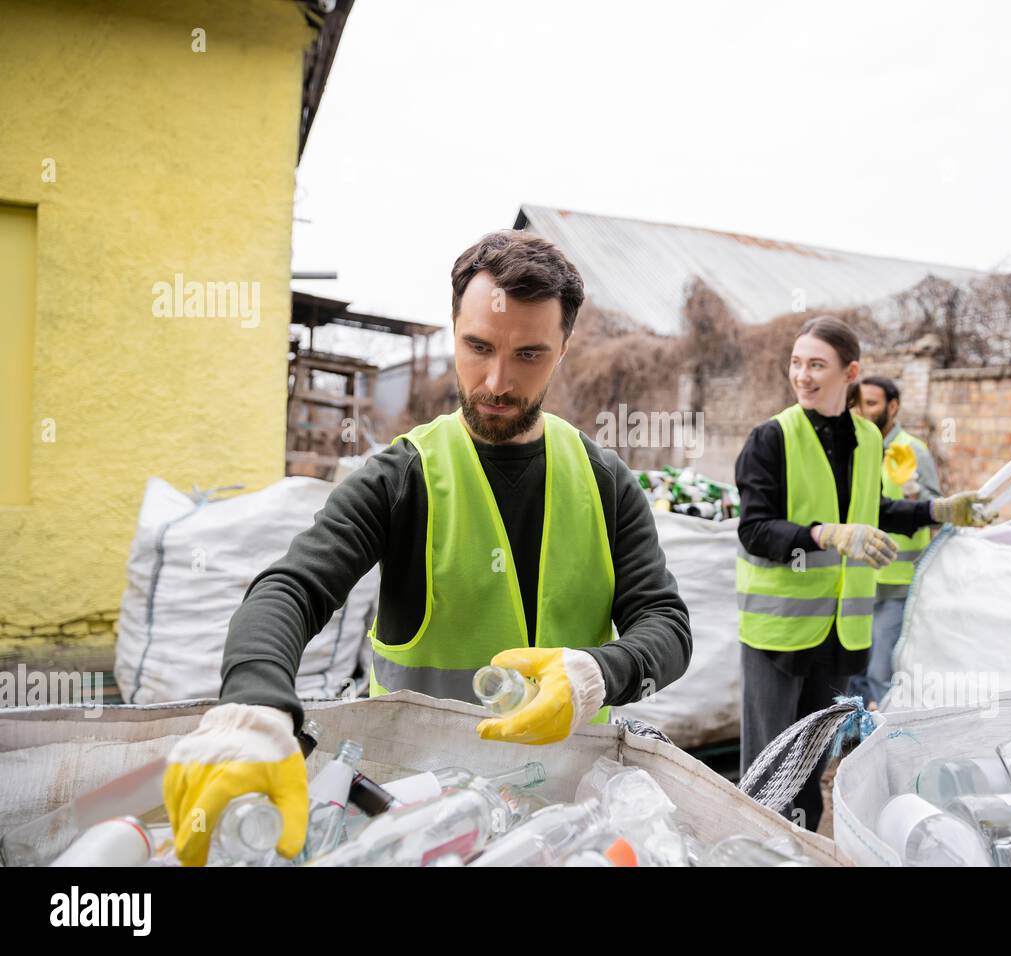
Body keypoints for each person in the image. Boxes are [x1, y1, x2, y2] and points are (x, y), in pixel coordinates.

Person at [163, 231, 693, 866]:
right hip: (415, 814)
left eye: (529, 353)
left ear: (564, 347)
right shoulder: (403, 478)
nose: (498, 381)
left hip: (567, 816)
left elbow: (667, 626)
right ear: (453, 329)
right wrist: (253, 705)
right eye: (478, 347)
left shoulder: (604, 482)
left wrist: (597, 674)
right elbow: (291, 589)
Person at [734, 316, 992, 831]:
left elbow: (870, 509)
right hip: (778, 631)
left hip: (838, 634)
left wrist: (936, 510)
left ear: (850, 372)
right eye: (796, 363)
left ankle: (799, 849)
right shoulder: (771, 438)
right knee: (769, 765)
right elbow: (755, 529)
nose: (802, 376)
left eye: (816, 365)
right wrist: (825, 535)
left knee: (810, 762)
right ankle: (755, 851)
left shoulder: (866, 439)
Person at [846, 375, 942, 707]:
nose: (864, 411)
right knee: (851, 671)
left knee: (880, 671)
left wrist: (915, 491)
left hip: (896, 584)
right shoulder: (854, 444)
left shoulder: (913, 450)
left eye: (872, 404)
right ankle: (849, 741)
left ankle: (885, 743)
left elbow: (936, 509)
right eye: (859, 404)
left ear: (893, 406)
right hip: (857, 580)